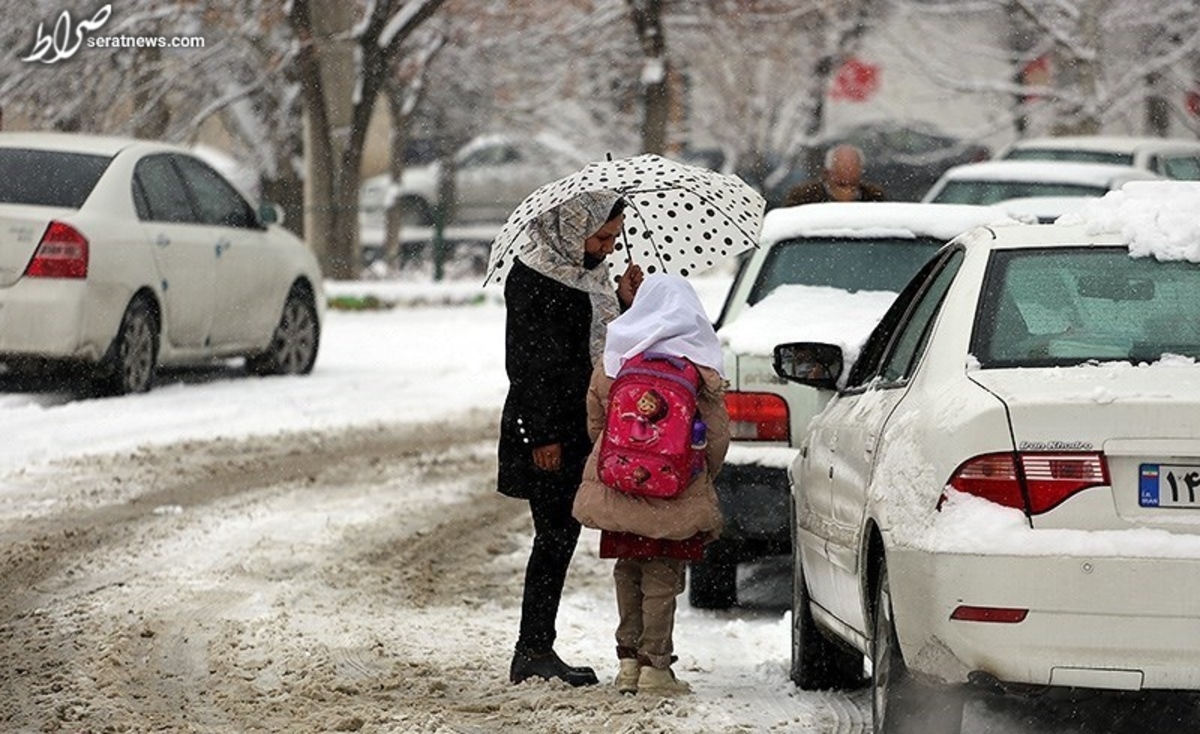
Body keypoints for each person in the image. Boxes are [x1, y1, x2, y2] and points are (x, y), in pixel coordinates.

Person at [498, 191, 643, 687]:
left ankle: (537, 646)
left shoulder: (589, 276)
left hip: (579, 424)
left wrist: (622, 302)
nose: (606, 248)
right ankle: (532, 650)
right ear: (571, 225)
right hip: (547, 430)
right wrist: (542, 435)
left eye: (613, 238)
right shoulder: (534, 276)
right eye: (601, 236)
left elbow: (600, 347)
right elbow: (526, 363)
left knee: (561, 535)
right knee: (553, 536)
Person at [572, 274, 730, 696]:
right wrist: (693, 473)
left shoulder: (616, 361)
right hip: (675, 491)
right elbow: (717, 438)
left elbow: (595, 425)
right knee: (663, 577)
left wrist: (626, 461)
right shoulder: (699, 369)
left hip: (622, 487)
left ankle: (627, 663)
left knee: (628, 570)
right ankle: (655, 667)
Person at [783, 143, 886, 206]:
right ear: (827, 173)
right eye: (841, 184)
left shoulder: (874, 197)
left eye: (853, 184)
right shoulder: (803, 197)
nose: (847, 191)